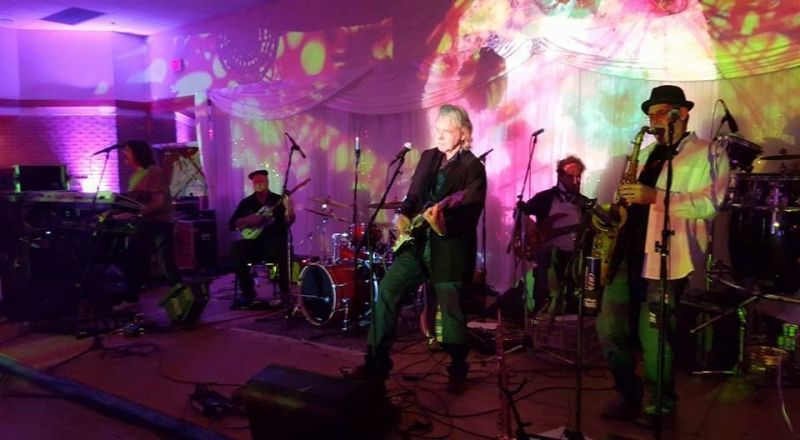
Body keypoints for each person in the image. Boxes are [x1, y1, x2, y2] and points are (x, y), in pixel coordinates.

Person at [596, 85, 729, 426]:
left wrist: (654, 196)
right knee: (609, 329)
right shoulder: (645, 154)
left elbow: (710, 204)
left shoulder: (709, 152)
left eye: (659, 112)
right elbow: (631, 201)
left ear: (681, 113)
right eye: (650, 114)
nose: (653, 119)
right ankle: (627, 392)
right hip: (625, 252)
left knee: (656, 336)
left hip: (667, 257)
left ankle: (661, 403)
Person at [349, 104, 487, 395]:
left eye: (446, 131)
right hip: (416, 243)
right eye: (437, 130)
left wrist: (442, 225)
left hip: (449, 247)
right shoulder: (428, 157)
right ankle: (375, 363)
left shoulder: (473, 168)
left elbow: (469, 213)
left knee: (450, 309)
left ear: (463, 134)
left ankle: (458, 367)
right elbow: (413, 197)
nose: (439, 136)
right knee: (388, 290)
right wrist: (403, 215)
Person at [105, 140, 179, 302]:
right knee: (134, 260)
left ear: (138, 153)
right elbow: (135, 203)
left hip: (158, 223)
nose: (124, 153)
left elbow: (157, 203)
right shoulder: (134, 176)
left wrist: (133, 214)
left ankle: (182, 299)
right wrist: (113, 212)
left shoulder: (153, 172)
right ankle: (132, 298)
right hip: (144, 223)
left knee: (164, 264)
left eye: (127, 150)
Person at [518, 155, 587, 318]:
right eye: (570, 176)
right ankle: (545, 312)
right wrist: (533, 232)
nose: (576, 181)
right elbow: (520, 214)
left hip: (575, 255)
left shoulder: (584, 203)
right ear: (560, 176)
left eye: (578, 177)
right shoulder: (545, 197)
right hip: (549, 256)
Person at [228, 169, 295, 309]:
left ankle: (285, 293)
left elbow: (288, 222)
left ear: (267, 182)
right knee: (236, 248)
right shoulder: (246, 203)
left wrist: (289, 210)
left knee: (284, 246)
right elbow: (232, 224)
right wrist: (249, 219)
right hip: (255, 244)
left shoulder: (279, 200)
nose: (259, 184)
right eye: (256, 182)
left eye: (261, 181)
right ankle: (247, 293)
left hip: (275, 242)